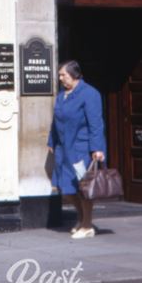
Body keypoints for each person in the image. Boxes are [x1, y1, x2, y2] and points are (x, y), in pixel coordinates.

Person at [47, 61, 106, 239]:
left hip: (81, 149)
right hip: (63, 149)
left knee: (83, 189)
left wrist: (97, 148)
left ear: (74, 75)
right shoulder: (62, 96)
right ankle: (81, 219)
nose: (60, 78)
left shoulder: (89, 94)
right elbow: (55, 121)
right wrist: (52, 140)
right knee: (66, 187)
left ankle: (87, 226)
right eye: (59, 75)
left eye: (63, 75)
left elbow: (96, 123)